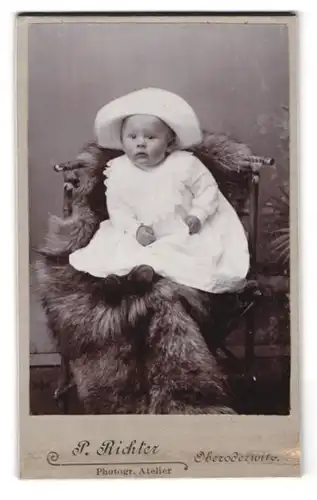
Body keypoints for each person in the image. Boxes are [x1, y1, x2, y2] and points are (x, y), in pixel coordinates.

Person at [69, 88, 250, 293]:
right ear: (122, 140)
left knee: (179, 255)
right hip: (138, 233)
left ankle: (143, 276)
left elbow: (208, 191)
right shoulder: (118, 170)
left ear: (169, 143)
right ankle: (120, 281)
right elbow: (118, 209)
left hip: (180, 232)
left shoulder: (185, 164)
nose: (140, 143)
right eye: (132, 137)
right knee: (118, 250)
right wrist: (135, 229)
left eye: (150, 137)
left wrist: (197, 215)